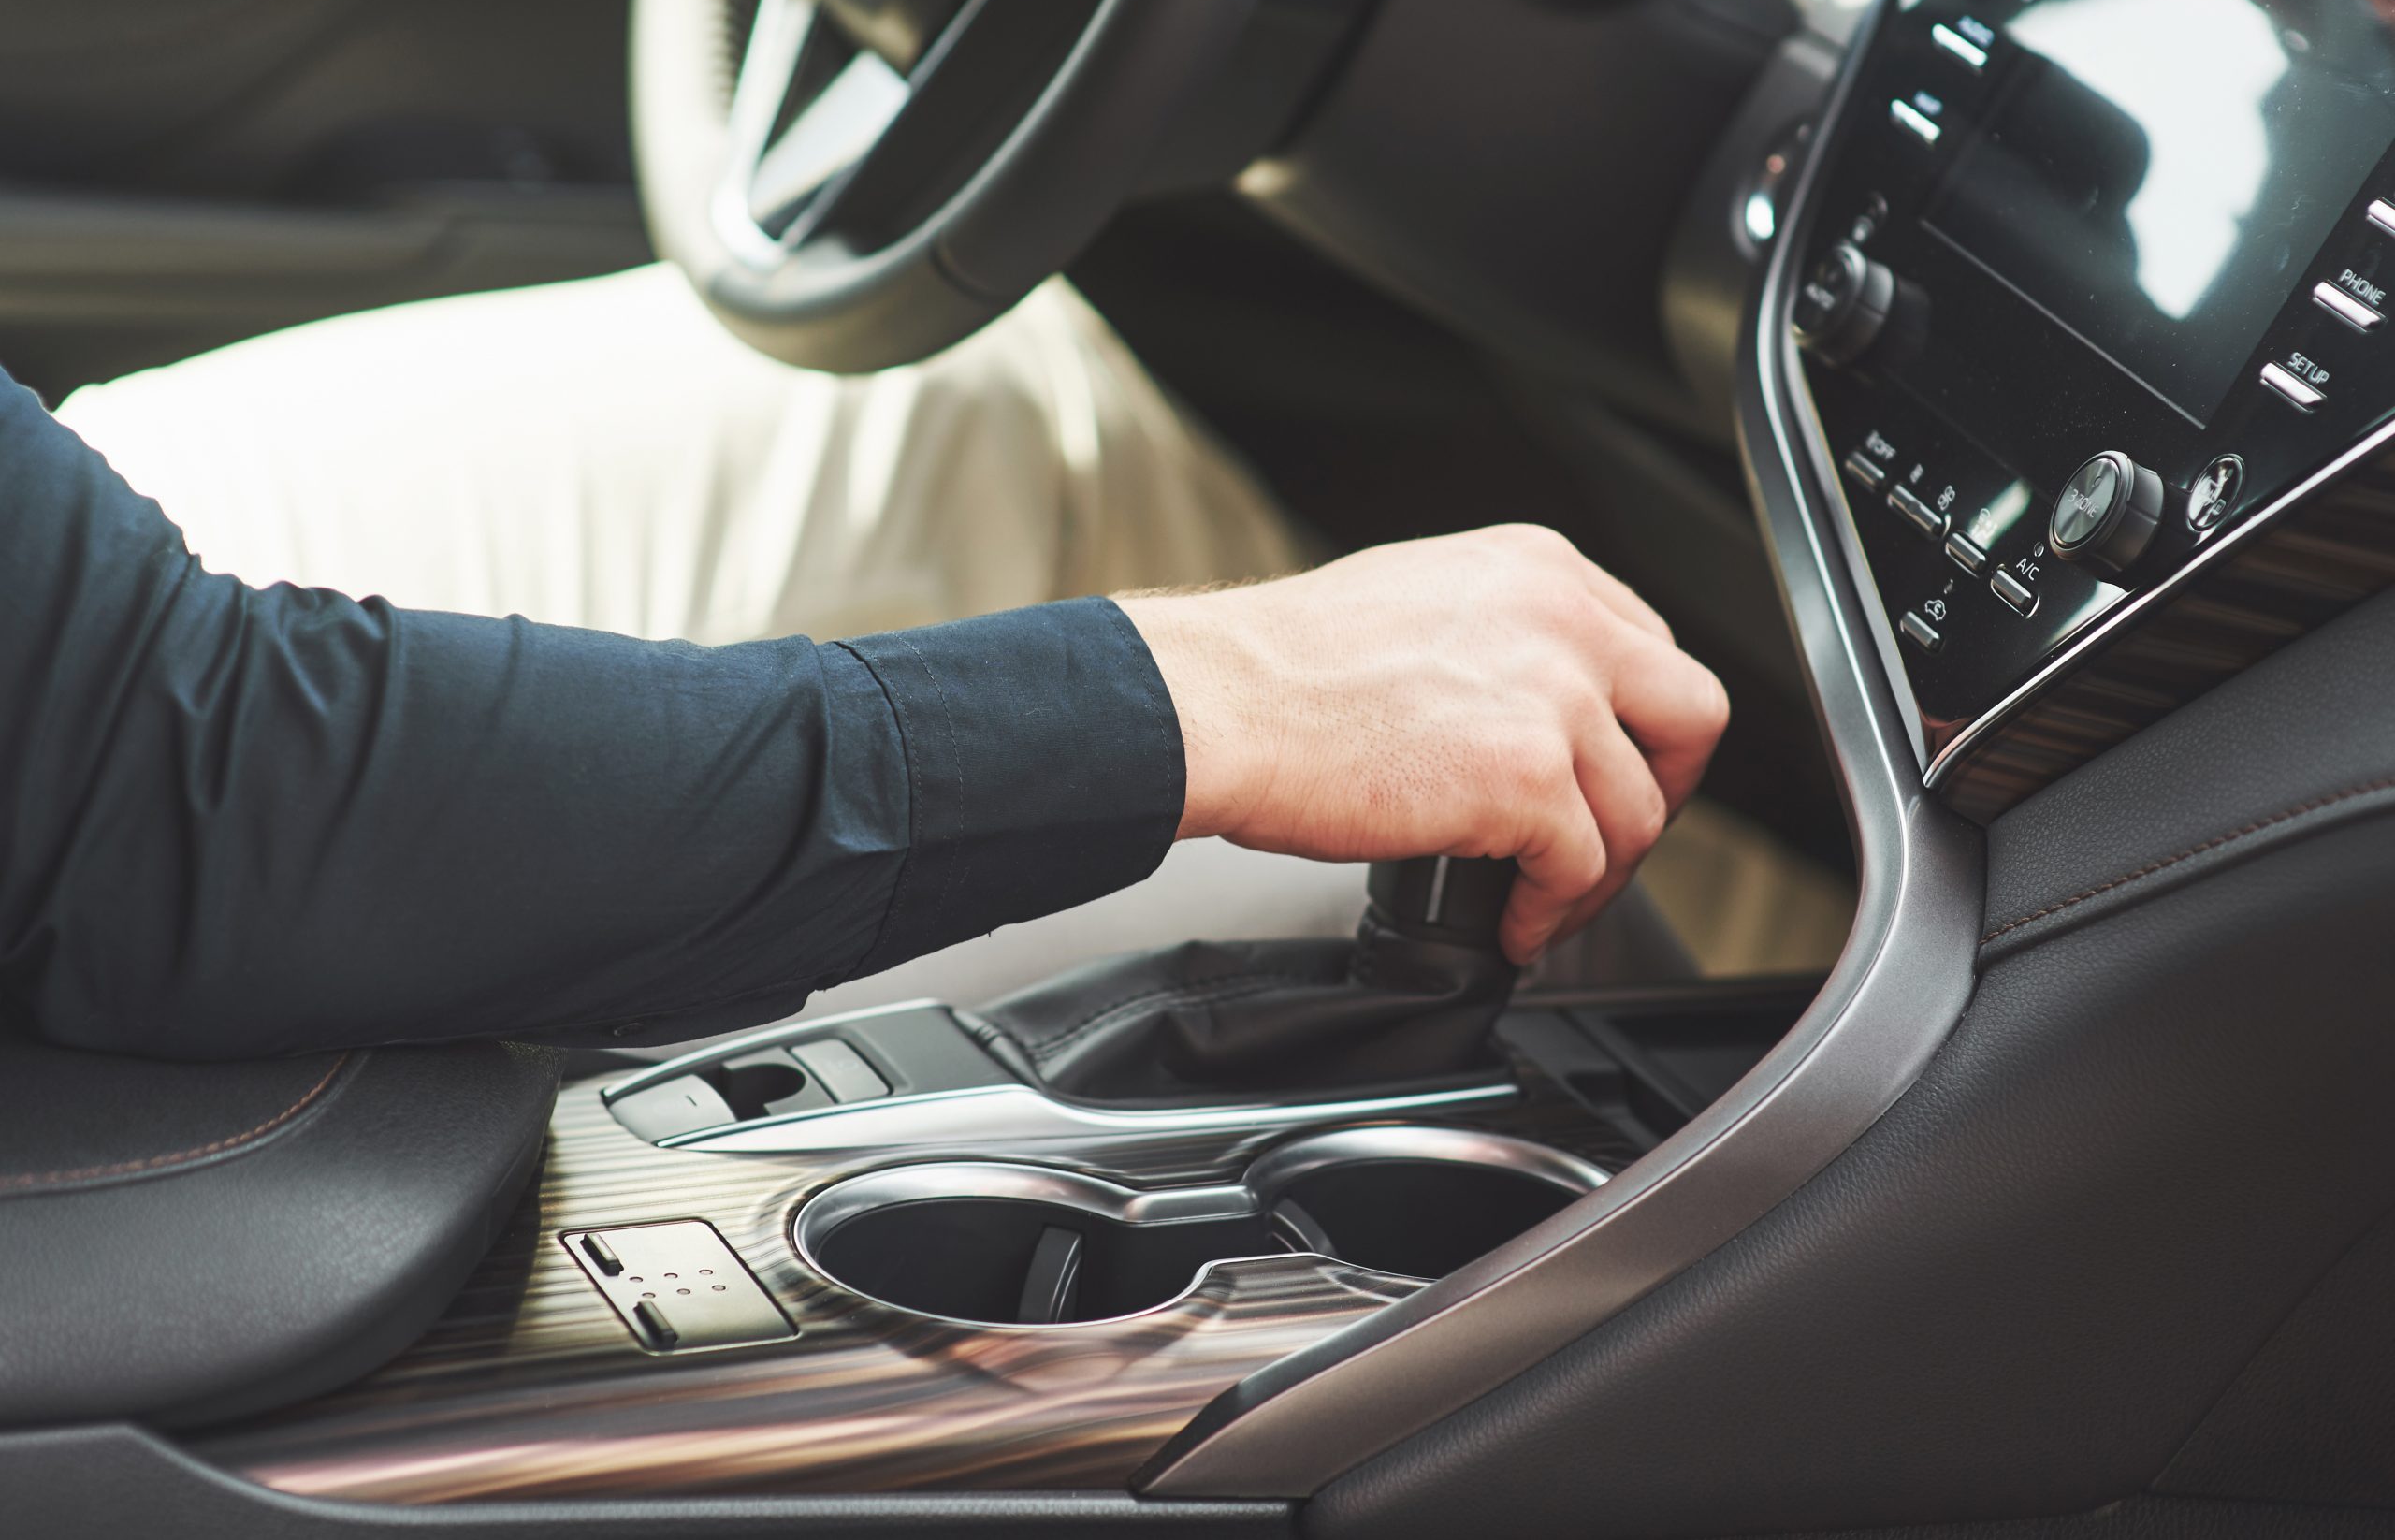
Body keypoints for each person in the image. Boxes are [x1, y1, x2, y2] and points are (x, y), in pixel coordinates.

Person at [0, 340, 1728, 1058]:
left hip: (64, 587)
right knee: (1044, 444)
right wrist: (1213, 689)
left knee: (982, 408)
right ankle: (1774, 960)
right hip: (124, 758)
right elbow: (179, 793)